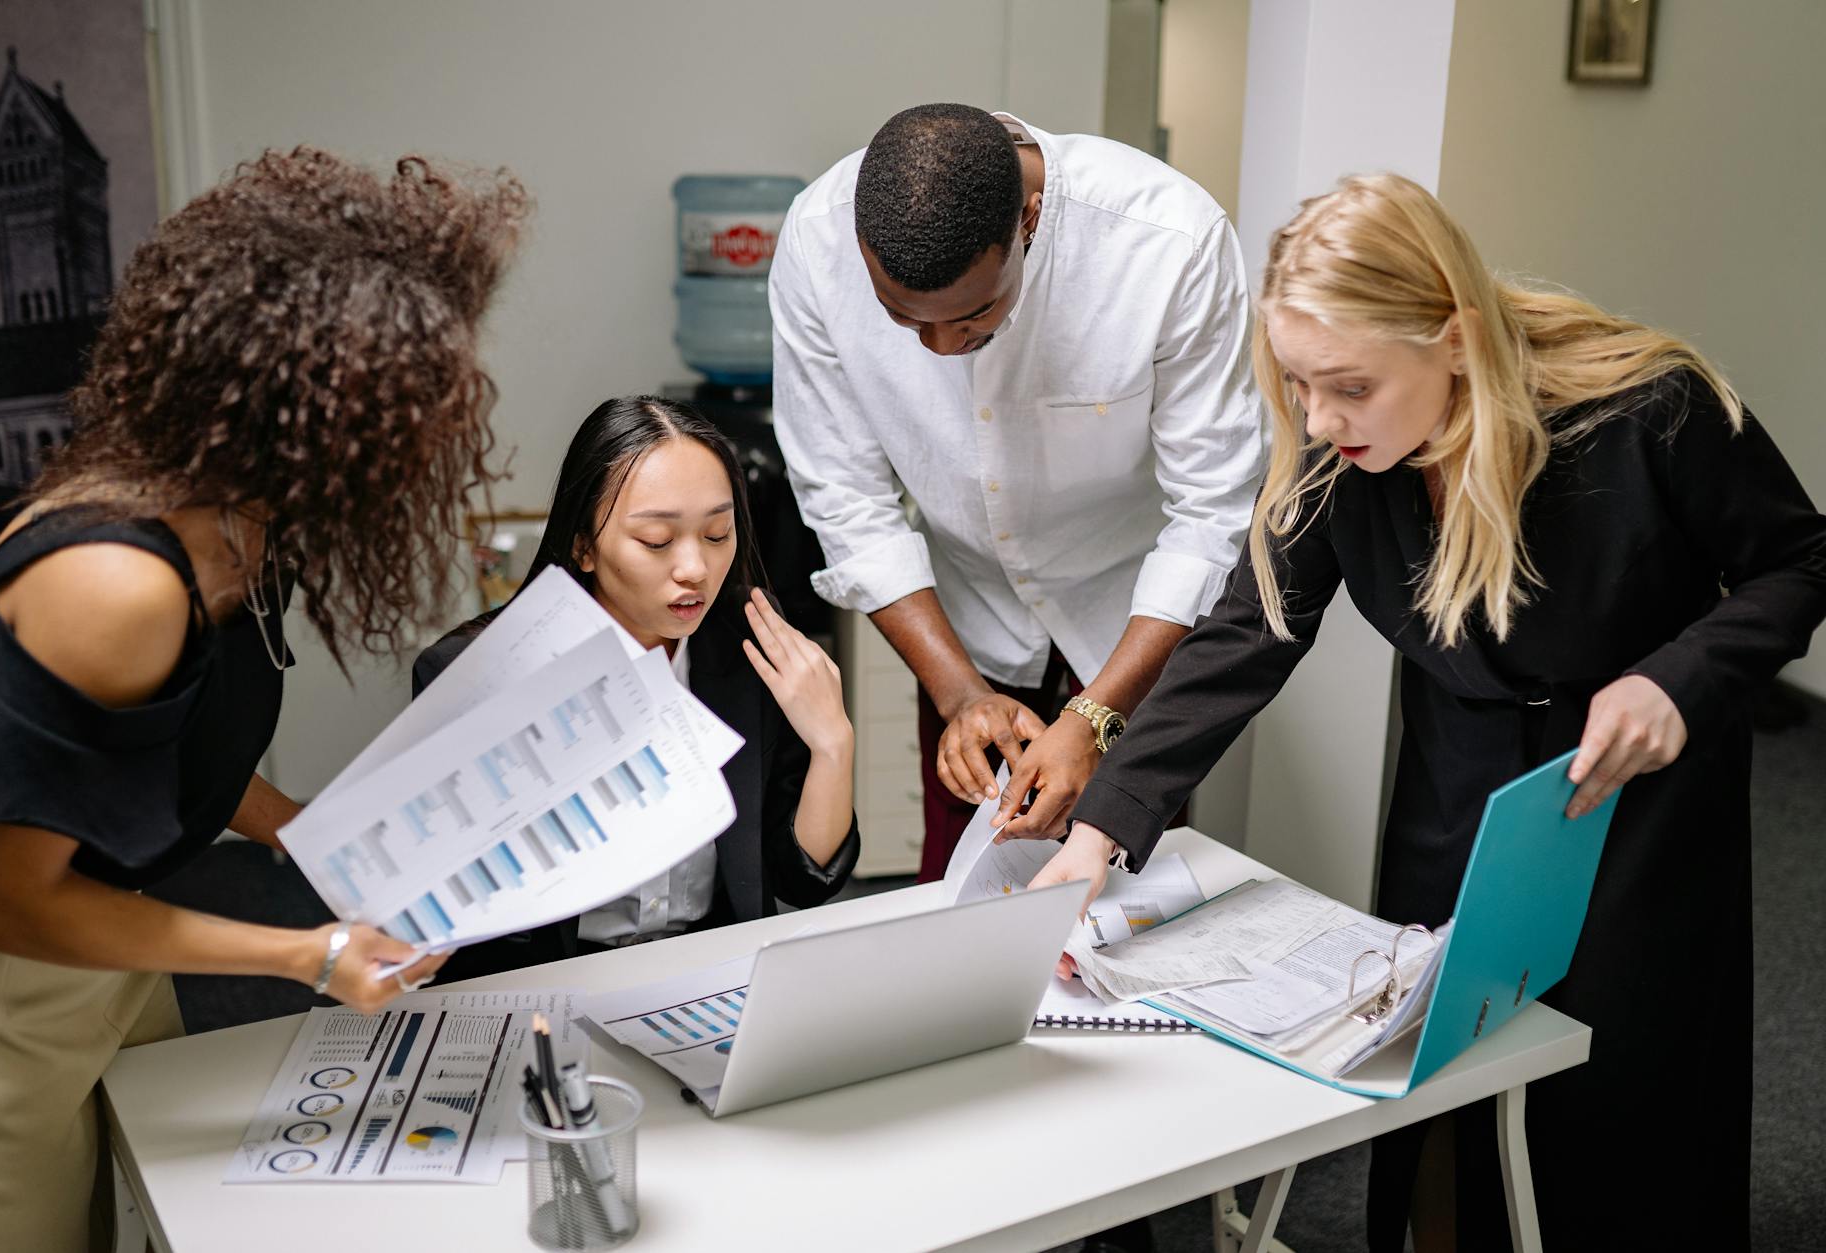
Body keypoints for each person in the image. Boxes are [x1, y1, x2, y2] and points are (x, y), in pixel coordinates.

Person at [1028, 173, 1826, 1251]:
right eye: (1299, 385)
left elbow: (1798, 558)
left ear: (1450, 338)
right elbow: (1245, 634)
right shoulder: (1337, 450)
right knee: (1438, 1076)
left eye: (1347, 385)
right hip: (1456, 784)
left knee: (1619, 1088)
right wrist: (1100, 826)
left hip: (1632, 790)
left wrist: (1677, 677)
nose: (1317, 418)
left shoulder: (1649, 411)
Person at [0, 148, 528, 1252]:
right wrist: (306, 952)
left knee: (145, 1214)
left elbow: (142, 750)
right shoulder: (115, 580)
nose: (439, 430)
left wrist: (303, 828)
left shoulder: (244, 513)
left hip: (110, 943)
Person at [771, 102, 1265, 885]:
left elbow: (1213, 515)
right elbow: (847, 498)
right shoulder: (816, 241)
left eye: (973, 317)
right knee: (961, 887)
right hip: (961, 624)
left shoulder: (1170, 244)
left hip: (1134, 620)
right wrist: (959, 691)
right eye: (902, 319)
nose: (939, 345)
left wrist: (1097, 717)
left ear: (1030, 220)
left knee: (1130, 894)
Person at [413, 396, 857, 972]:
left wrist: (832, 744)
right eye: (656, 541)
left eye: (718, 535)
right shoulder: (476, 673)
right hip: (551, 985)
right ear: (583, 545)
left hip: (710, 970)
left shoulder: (752, 645)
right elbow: (465, 917)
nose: (694, 568)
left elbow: (805, 880)